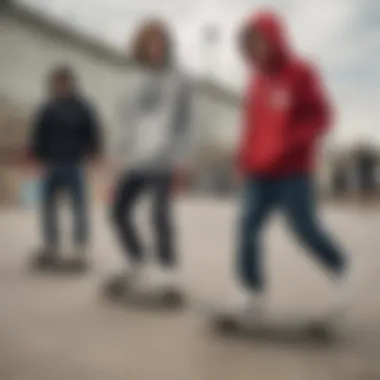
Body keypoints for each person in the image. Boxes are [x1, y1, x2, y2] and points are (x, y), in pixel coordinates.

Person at [225, 11, 351, 320]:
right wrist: (243, 160)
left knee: (304, 230)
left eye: (260, 40)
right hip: (259, 173)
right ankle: (251, 293)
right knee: (246, 228)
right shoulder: (255, 81)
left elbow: (322, 117)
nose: (255, 48)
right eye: (249, 43)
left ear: (274, 38)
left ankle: (341, 267)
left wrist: (290, 142)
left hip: (293, 171)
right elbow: (251, 126)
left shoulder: (300, 72)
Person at [108, 19, 194, 295]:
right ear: (141, 46)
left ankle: (167, 269)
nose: (156, 48)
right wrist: (115, 155)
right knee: (118, 211)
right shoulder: (131, 81)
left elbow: (186, 123)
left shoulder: (179, 79)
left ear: (167, 46)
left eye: (161, 43)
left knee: (160, 215)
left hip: (164, 159)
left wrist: (183, 160)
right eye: (150, 43)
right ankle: (136, 260)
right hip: (134, 159)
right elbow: (122, 120)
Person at [30, 66, 101, 265]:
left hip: (74, 164)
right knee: (48, 207)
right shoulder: (47, 109)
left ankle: (79, 247)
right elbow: (38, 135)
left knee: (79, 207)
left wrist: (93, 156)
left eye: (64, 82)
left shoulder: (83, 108)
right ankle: (51, 246)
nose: (61, 86)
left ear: (72, 84)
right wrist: (38, 158)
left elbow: (93, 133)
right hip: (51, 164)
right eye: (57, 82)